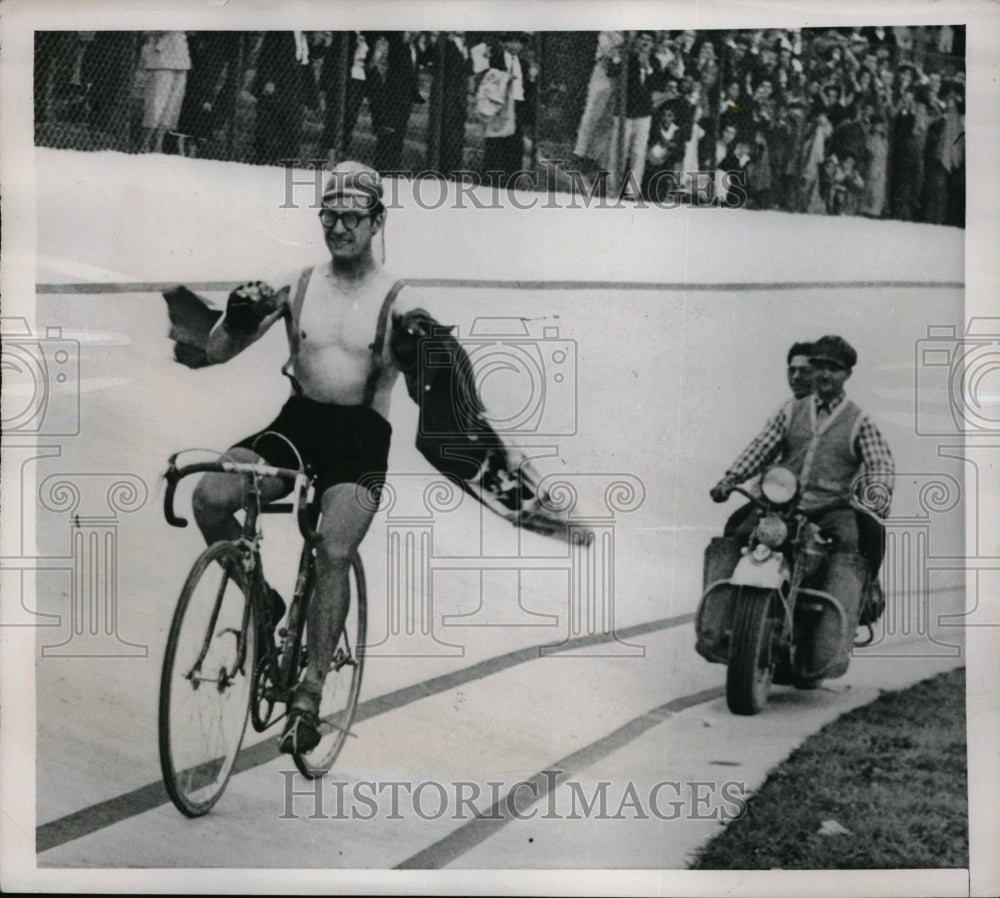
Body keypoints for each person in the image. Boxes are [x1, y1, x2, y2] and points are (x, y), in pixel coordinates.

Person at [193, 161, 403, 753]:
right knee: (209, 497)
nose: (338, 228)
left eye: (352, 217)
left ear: (376, 221)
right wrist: (235, 318)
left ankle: (309, 694)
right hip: (300, 423)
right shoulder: (299, 284)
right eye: (329, 216)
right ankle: (263, 601)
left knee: (333, 547)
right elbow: (217, 350)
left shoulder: (398, 301)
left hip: (360, 438)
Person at [710, 335, 894, 680]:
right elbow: (761, 447)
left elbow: (880, 464)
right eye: (820, 366)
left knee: (848, 550)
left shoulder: (859, 421)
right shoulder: (791, 410)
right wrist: (730, 478)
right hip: (780, 505)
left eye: (833, 368)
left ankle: (833, 637)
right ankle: (720, 626)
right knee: (739, 533)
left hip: (831, 509)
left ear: (847, 374)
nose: (825, 374)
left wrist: (877, 495)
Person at [721, 341, 814, 538]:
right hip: (780, 500)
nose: (796, 377)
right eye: (792, 371)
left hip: (823, 502)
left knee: (871, 535)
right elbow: (762, 449)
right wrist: (729, 481)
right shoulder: (787, 412)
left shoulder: (844, 415)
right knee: (736, 529)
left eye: (805, 371)